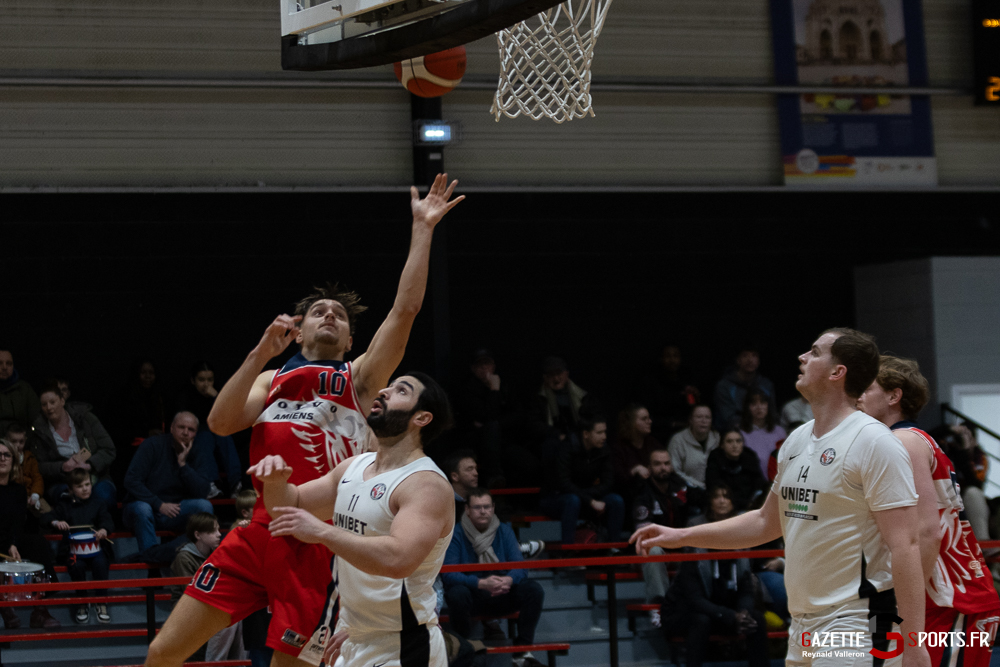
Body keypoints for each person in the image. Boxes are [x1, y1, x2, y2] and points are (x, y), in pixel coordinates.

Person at [144, 173, 464, 667]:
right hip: (261, 530)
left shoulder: (360, 380)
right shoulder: (269, 378)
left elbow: (405, 311)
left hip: (320, 543)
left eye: (340, 314)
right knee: (163, 651)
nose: (330, 315)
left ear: (352, 341)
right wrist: (256, 355)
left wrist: (422, 229)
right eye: (319, 311)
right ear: (299, 331)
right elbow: (221, 423)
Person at [633, 328, 931, 667]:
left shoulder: (874, 442)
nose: (802, 357)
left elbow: (905, 546)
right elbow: (764, 522)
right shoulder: (797, 439)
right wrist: (682, 536)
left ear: (838, 373)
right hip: (802, 624)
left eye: (815, 352)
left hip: (857, 622)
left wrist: (915, 642)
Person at [251, 372, 456, 667]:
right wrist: (275, 482)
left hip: (404, 645)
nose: (384, 391)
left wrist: (324, 533)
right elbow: (289, 507)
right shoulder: (354, 466)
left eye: (401, 390)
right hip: (353, 638)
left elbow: (398, 559)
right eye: (389, 385)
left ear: (421, 418)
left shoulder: (425, 484)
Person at [858, 355, 1000, 667]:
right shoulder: (907, 440)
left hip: (952, 597)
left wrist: (906, 605)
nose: (859, 397)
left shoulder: (904, 441)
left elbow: (927, 531)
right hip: (946, 593)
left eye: (867, 389)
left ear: (894, 396)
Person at [660, 484, 768, 667]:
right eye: (717, 496)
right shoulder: (695, 552)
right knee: (701, 620)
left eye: (726, 496)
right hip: (685, 612)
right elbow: (694, 600)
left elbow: (746, 589)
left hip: (722, 613)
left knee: (756, 619)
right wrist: (730, 616)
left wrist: (743, 613)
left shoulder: (739, 548)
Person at [442, 488, 545, 667]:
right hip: (473, 596)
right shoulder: (456, 533)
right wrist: (480, 583)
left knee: (533, 590)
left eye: (487, 507)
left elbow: (519, 567)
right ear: (467, 509)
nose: (483, 511)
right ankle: (465, 649)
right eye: (477, 507)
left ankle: (522, 653)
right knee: (456, 593)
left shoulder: (504, 531)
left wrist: (509, 580)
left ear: (493, 508)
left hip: (501, 592)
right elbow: (449, 574)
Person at [123, 412, 215, 552]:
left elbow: (203, 491)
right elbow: (131, 480)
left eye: (191, 430)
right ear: (171, 428)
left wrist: (183, 465)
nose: (185, 432)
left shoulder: (198, 451)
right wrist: (158, 504)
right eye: (181, 427)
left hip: (176, 509)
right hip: (146, 506)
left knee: (204, 506)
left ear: (196, 433)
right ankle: (152, 564)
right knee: (142, 509)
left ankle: (193, 559)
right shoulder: (152, 444)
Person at [0, 438, 59, 629]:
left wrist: (13, 543)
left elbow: (18, 521)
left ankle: (40, 609)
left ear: (13, 460)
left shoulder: (18, 490)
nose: (2, 459)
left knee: (37, 543)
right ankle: (5, 607)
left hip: (10, 540)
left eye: (6, 455)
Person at [540, 414, 624, 546]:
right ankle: (568, 553)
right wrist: (590, 501)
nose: (604, 437)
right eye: (599, 432)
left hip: (587, 497)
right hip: (557, 498)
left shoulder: (604, 450)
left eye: (605, 432)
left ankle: (614, 548)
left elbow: (608, 482)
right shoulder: (566, 448)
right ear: (586, 434)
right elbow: (564, 484)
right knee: (572, 500)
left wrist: (590, 498)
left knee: (615, 500)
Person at [170, 513, 242, 662]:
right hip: (188, 612)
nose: (218, 535)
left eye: (218, 530)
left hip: (211, 607)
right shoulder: (184, 558)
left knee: (240, 617)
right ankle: (214, 663)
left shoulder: (216, 554)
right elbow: (191, 595)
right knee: (225, 620)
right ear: (198, 535)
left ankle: (238, 664)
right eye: (212, 531)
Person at [30, 382, 117, 507]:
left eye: (52, 402)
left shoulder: (86, 418)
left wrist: (89, 464)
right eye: (44, 404)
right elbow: (39, 465)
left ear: (62, 401)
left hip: (95, 476)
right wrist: (62, 467)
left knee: (103, 496)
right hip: (63, 481)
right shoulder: (39, 430)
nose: (48, 408)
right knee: (65, 499)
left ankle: (103, 526)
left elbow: (109, 449)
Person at [632, 447, 690, 628]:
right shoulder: (642, 492)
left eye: (666, 463)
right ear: (649, 468)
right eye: (657, 464)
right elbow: (645, 533)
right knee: (653, 549)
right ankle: (658, 606)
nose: (663, 468)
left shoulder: (679, 486)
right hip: (654, 546)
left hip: (680, 544)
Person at [456, 349, 530, 487]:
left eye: (487, 364)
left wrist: (494, 424)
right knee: (491, 431)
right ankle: (494, 477)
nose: (484, 368)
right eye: (480, 365)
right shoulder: (467, 389)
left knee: (528, 462)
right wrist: (494, 391)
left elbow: (518, 415)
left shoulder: (506, 385)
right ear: (473, 368)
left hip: (504, 439)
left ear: (493, 366)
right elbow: (484, 415)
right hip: (477, 442)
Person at [177, 361, 243, 497]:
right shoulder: (185, 397)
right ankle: (210, 485)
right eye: (201, 380)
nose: (206, 384)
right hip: (195, 441)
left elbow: (229, 419)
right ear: (193, 380)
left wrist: (216, 398)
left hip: (217, 439)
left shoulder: (217, 393)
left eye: (209, 380)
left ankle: (236, 483)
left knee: (223, 434)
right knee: (205, 436)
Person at [636, 343, 700, 441]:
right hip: (658, 433)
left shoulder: (686, 380)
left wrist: (694, 399)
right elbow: (649, 415)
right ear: (661, 359)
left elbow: (693, 407)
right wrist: (673, 424)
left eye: (675, 356)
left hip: (685, 433)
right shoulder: (650, 382)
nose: (672, 360)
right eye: (668, 356)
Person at [712, 346, 776, 431]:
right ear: (738, 360)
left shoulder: (766, 384)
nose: (750, 360)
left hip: (763, 429)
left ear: (758, 361)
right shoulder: (724, 385)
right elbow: (727, 417)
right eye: (745, 355)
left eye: (754, 355)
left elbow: (773, 413)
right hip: (733, 431)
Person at [704, 429, 766, 512]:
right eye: (729, 441)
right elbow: (713, 488)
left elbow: (759, 485)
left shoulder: (750, 459)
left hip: (748, 507)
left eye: (738, 441)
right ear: (722, 445)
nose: (734, 445)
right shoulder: (715, 460)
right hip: (723, 508)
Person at [611, 404, 661, 502]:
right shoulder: (618, 448)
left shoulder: (652, 442)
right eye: (644, 419)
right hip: (631, 498)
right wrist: (634, 471)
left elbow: (667, 462)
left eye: (649, 418)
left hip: (656, 493)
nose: (650, 421)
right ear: (631, 423)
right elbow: (617, 480)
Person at [667, 404, 719, 491]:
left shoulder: (718, 439)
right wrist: (698, 486)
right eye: (699, 417)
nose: (703, 421)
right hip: (688, 491)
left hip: (715, 491)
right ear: (691, 420)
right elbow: (675, 471)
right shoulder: (678, 440)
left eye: (707, 417)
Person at [6, 424, 46, 514]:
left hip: (31, 494)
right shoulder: (4, 459)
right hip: (13, 496)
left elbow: (37, 478)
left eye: (21, 442)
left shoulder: (30, 458)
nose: (17, 445)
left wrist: (35, 495)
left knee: (47, 512)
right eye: (13, 441)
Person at [0, 348, 40, 434]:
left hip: (23, 441)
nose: (4, 367)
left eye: (9, 363)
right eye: (0, 363)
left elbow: (37, 420)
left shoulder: (24, 389)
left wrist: (28, 442)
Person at [443, 449, 479, 522]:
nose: (476, 473)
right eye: (469, 469)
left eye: (475, 468)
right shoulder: (443, 504)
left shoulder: (480, 500)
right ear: (454, 476)